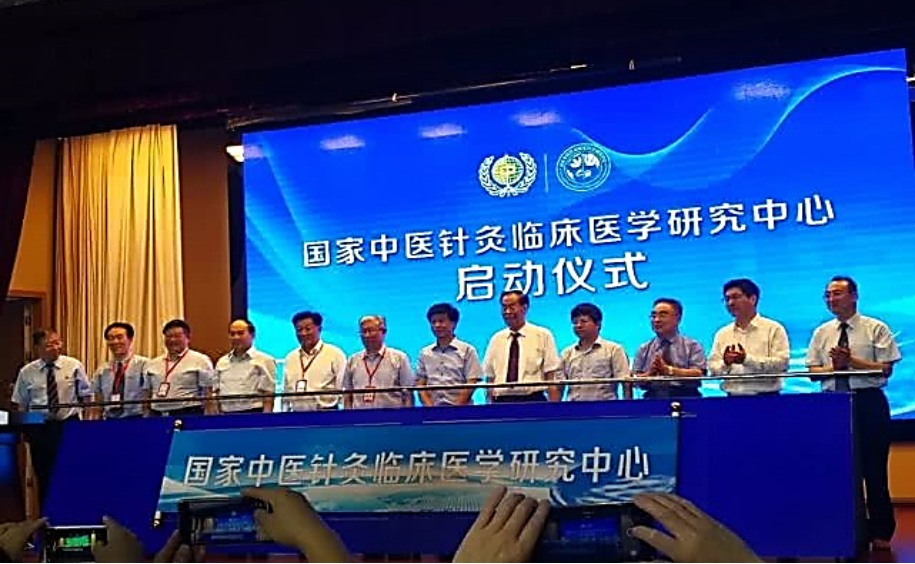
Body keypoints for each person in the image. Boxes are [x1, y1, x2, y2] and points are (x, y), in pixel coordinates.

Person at [806, 276, 901, 551]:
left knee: (874, 470)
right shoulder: (822, 332)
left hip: (868, 401)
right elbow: (813, 372)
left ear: (854, 296)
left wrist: (851, 362)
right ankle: (845, 529)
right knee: (839, 471)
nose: (831, 299)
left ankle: (881, 530)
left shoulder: (875, 328)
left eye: (837, 293)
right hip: (833, 403)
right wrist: (835, 368)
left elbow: (884, 369)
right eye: (827, 295)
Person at [11, 328, 91, 506]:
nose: (56, 347)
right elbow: (21, 404)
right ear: (38, 348)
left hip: (69, 425)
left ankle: (74, 512)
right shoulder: (27, 372)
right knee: (44, 473)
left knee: (73, 471)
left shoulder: (74, 365)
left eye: (57, 342)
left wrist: (85, 423)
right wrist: (26, 431)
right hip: (40, 427)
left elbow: (86, 396)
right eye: (49, 345)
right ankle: (47, 515)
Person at [708, 279, 789, 396]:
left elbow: (782, 365)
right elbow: (712, 370)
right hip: (732, 398)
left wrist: (746, 360)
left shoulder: (773, 329)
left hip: (767, 398)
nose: (730, 303)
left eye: (735, 297)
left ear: (753, 299)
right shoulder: (722, 334)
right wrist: (726, 363)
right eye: (727, 299)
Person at [482, 291, 562, 403]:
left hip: (533, 400)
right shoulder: (496, 339)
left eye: (512, 307)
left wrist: (553, 407)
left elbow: (551, 374)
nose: (507, 311)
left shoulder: (542, 335)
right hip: (502, 401)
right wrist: (489, 404)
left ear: (524, 308)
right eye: (504, 308)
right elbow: (490, 377)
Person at [632, 298, 706, 399]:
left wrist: (669, 371)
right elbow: (634, 379)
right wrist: (649, 374)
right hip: (652, 397)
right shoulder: (644, 348)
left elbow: (699, 374)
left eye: (662, 315)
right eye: (653, 316)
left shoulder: (692, 345)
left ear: (678, 318)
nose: (656, 320)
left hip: (687, 396)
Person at [415, 303, 482, 407]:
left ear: (453, 323)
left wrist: (455, 409)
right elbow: (420, 385)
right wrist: (430, 409)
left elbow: (471, 382)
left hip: (462, 410)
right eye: (433, 322)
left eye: (441, 321)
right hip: (432, 410)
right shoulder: (425, 353)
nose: (437, 325)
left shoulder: (468, 350)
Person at [559, 303, 629, 402]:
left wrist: (627, 406)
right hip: (574, 407)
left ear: (598, 324)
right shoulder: (566, 353)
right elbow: (558, 386)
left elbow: (625, 382)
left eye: (583, 321)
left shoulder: (614, 349)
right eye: (575, 322)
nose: (578, 325)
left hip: (605, 407)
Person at [342, 315, 414, 409]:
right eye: (363, 331)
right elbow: (347, 396)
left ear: (383, 332)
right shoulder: (353, 360)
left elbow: (408, 395)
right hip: (359, 415)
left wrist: (407, 416)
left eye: (371, 331)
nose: (367, 335)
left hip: (391, 415)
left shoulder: (399, 358)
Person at [146, 320, 215, 417]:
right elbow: (147, 393)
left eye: (177, 336)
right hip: (157, 415)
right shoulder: (153, 363)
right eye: (168, 336)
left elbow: (208, 393)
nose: (172, 340)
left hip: (187, 413)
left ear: (188, 337)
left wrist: (209, 418)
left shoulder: (200, 360)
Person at [282, 311, 346, 412]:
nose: (303, 333)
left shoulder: (335, 354)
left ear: (319, 329)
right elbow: (285, 392)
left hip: (326, 413)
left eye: (308, 329)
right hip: (296, 414)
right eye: (299, 330)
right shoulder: (290, 358)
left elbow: (343, 388)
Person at [213, 319, 276, 414]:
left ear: (252, 335)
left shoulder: (264, 360)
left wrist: (265, 419)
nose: (236, 337)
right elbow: (216, 393)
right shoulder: (222, 362)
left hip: (253, 413)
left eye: (240, 333)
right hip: (226, 414)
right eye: (232, 334)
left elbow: (269, 394)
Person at [91, 322, 151, 420]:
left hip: (137, 419)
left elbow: (148, 394)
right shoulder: (102, 369)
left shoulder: (144, 364)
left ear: (130, 339)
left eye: (119, 337)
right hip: (109, 419)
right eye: (110, 338)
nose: (115, 342)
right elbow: (98, 399)